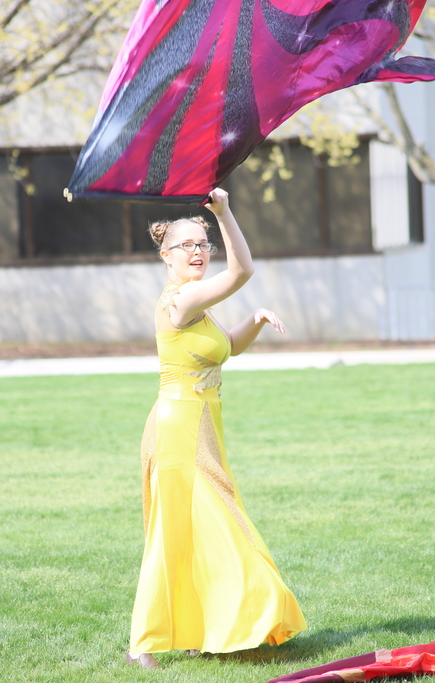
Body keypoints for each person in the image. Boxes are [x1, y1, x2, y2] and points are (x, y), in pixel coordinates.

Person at [126, 188, 307, 669]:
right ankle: (143, 643)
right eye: (187, 244)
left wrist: (255, 320)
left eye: (203, 241)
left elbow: (228, 346)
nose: (199, 250)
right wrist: (224, 213)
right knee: (182, 533)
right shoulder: (181, 298)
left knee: (200, 533)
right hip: (177, 432)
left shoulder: (198, 307)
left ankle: (193, 631)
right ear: (165, 256)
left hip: (202, 429)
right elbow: (242, 271)